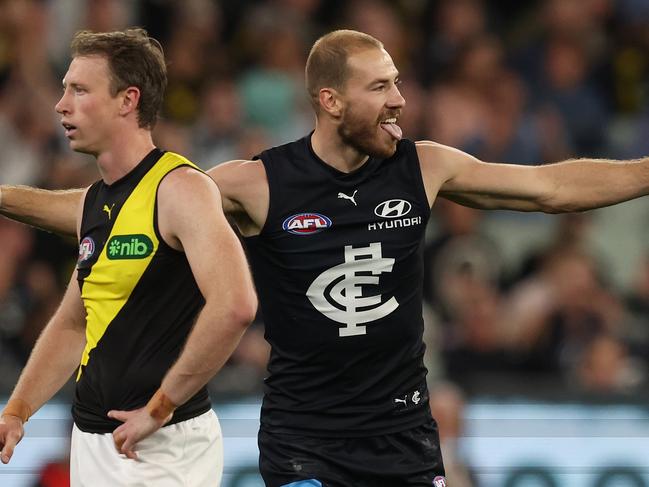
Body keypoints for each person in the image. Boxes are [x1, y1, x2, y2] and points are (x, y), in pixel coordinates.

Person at [2, 29, 649, 486]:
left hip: (402, 436)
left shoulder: (424, 167)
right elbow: (109, 210)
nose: (399, 99)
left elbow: (549, 188)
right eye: (380, 86)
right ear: (330, 101)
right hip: (303, 439)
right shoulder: (259, 182)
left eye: (396, 82)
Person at [0, 28, 257, 487]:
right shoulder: (96, 203)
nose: (61, 104)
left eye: (79, 90)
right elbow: (74, 324)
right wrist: (17, 410)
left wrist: (162, 405)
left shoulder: (181, 188)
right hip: (92, 444)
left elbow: (235, 304)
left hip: (164, 446)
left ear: (127, 100)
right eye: (64, 90)